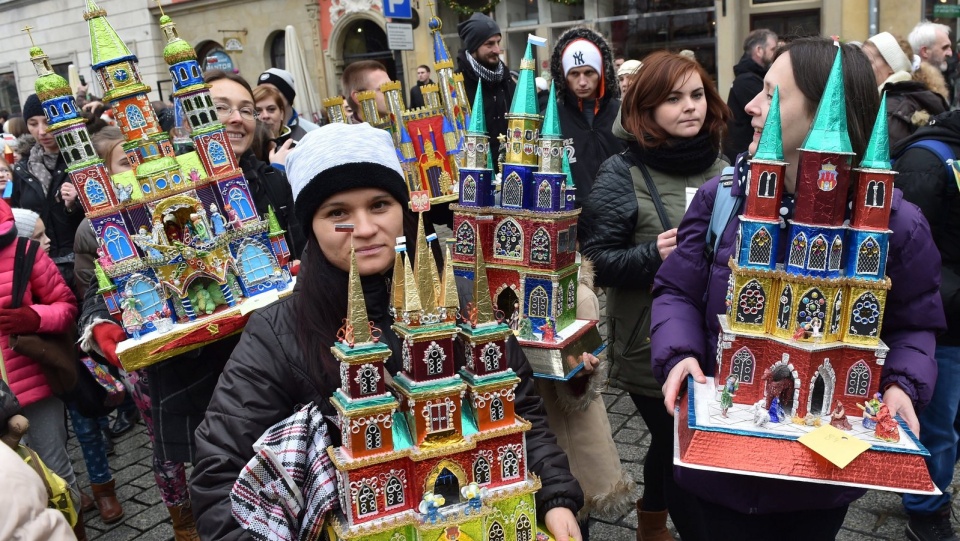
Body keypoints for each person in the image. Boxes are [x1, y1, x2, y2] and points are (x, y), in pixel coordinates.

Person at [190, 122, 585, 540]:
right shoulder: (277, 334)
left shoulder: (465, 305)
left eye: (379, 205)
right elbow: (221, 480)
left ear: (404, 208)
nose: (363, 229)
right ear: (312, 226)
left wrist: (555, 498)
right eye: (337, 213)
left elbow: (521, 411)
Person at [653, 37, 943, 540]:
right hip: (716, 471)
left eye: (771, 94)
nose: (750, 105)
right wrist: (679, 355)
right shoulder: (724, 197)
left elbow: (915, 322)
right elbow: (676, 291)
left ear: (821, 117)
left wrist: (900, 384)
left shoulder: (897, 224)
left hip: (816, 478)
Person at [580, 50, 729, 541]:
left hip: (714, 336)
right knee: (676, 439)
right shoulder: (621, 172)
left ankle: (650, 523)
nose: (691, 107)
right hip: (648, 343)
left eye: (697, 95)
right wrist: (650, 256)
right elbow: (597, 260)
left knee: (676, 441)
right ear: (645, 110)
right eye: (673, 99)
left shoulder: (725, 168)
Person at [76, 127, 199, 539]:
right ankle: (183, 520)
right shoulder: (96, 228)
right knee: (165, 441)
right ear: (106, 178)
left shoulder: (178, 200)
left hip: (198, 338)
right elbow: (94, 289)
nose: (139, 168)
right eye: (127, 162)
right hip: (148, 350)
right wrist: (101, 324)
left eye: (144, 157)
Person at [891, 110, 960, 541]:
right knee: (937, 421)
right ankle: (926, 508)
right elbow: (906, 250)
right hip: (944, 323)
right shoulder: (927, 160)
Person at [0, 197, 81, 536]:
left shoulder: (22, 251)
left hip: (32, 382)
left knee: (55, 471)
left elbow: (66, 307)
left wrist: (34, 318)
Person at [11, 94, 85, 293]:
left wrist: (74, 205)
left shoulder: (83, 161)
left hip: (83, 261)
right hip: (42, 267)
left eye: (48, 122)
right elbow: (17, 218)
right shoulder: (22, 169)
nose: (42, 131)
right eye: (33, 123)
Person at [547, 27, 625, 201]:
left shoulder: (622, 113)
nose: (582, 82)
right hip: (572, 217)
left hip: (620, 215)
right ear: (564, 77)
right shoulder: (551, 120)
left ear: (600, 73)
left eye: (589, 72)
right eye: (574, 74)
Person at [862, 31, 947, 147]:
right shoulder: (900, 98)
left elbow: (885, 158)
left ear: (892, 67)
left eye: (868, 61)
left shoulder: (892, 108)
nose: (861, 66)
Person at [456, 12, 516, 164]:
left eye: (498, 42)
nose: (497, 49)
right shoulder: (456, 84)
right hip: (476, 171)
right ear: (473, 46)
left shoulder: (507, 79)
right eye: (489, 44)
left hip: (510, 168)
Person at [723, 29, 778, 163]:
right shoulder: (746, 81)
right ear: (759, 50)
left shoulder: (752, 78)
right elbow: (772, 114)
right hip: (743, 156)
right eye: (773, 49)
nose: (775, 55)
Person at [256, 67, 319, 141]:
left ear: (287, 95)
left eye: (273, 91)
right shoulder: (252, 133)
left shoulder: (312, 131)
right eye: (261, 92)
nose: (266, 96)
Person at [909, 21, 954, 102]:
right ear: (925, 51)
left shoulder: (947, 77)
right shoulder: (912, 90)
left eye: (950, 47)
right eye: (944, 48)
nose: (950, 53)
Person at [341, 60, 393, 125]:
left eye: (392, 86)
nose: (391, 93)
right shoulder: (346, 133)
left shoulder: (404, 125)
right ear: (358, 97)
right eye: (383, 88)